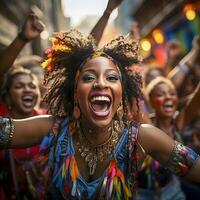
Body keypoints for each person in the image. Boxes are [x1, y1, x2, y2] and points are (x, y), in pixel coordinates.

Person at [0, 30, 199, 200]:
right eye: (88, 77)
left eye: (111, 77)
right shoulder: (52, 128)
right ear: (75, 93)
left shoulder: (142, 138)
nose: (101, 83)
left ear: (121, 94)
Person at [136, 76, 200, 200]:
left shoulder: (178, 123)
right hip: (144, 195)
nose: (168, 97)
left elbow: (196, 99)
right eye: (161, 94)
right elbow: (136, 98)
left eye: (172, 93)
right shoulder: (148, 126)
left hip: (173, 190)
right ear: (152, 101)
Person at [0, 66, 46, 200]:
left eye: (32, 86)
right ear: (7, 95)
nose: (27, 89)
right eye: (19, 86)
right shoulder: (2, 117)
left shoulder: (49, 119)